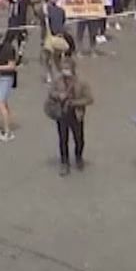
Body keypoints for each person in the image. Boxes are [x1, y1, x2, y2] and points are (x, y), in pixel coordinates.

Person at [45, 41, 93, 176]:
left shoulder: (81, 82)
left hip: (76, 113)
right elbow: (51, 92)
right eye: (63, 68)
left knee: (79, 138)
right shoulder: (58, 80)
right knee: (63, 138)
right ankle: (64, 162)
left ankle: (78, 157)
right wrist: (58, 95)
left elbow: (89, 99)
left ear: (73, 69)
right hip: (62, 112)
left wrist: (75, 102)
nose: (65, 71)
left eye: (67, 68)